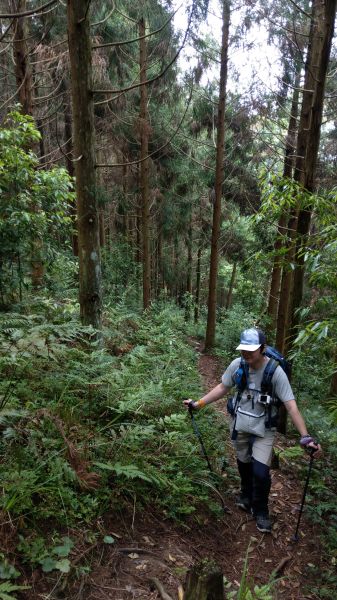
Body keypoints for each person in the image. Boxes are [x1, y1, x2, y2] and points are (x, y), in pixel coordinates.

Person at [184, 327, 321, 533]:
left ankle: (261, 510)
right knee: (243, 462)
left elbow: (291, 405)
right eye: (243, 350)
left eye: (251, 350)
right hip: (240, 424)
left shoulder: (275, 371)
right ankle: (246, 495)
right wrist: (198, 404)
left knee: (261, 472)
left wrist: (305, 437)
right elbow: (223, 387)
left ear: (263, 349)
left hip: (264, 429)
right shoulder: (237, 365)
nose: (246, 354)